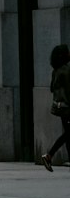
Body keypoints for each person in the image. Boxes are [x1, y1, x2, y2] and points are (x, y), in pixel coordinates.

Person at [42, 43, 70, 171]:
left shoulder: (56, 71)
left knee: (68, 134)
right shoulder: (66, 70)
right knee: (67, 134)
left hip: (61, 108)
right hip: (68, 107)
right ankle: (49, 155)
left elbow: (52, 89)